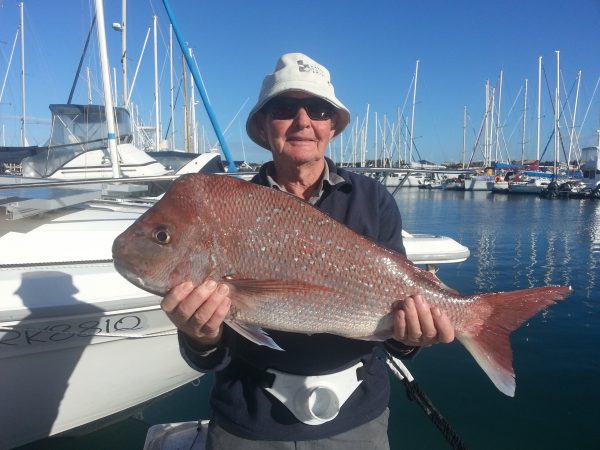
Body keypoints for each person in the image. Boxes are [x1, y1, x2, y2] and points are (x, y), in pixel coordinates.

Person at [161, 52, 455, 450]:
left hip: (357, 420)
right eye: (284, 108)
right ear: (265, 126)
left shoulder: (372, 200)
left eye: (317, 110)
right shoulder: (227, 207)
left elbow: (394, 335)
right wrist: (200, 337)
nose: (303, 121)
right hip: (248, 422)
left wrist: (412, 337)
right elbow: (208, 358)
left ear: (332, 126)